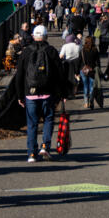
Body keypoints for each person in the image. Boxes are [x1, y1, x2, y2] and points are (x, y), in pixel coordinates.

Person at [15, 25, 66, 162]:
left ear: (33, 36)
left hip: (30, 93)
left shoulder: (26, 52)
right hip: (48, 92)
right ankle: (45, 146)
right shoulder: (51, 51)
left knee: (32, 123)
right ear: (45, 36)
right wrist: (62, 93)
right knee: (48, 118)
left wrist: (20, 95)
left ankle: (31, 153)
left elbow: (19, 75)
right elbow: (60, 74)